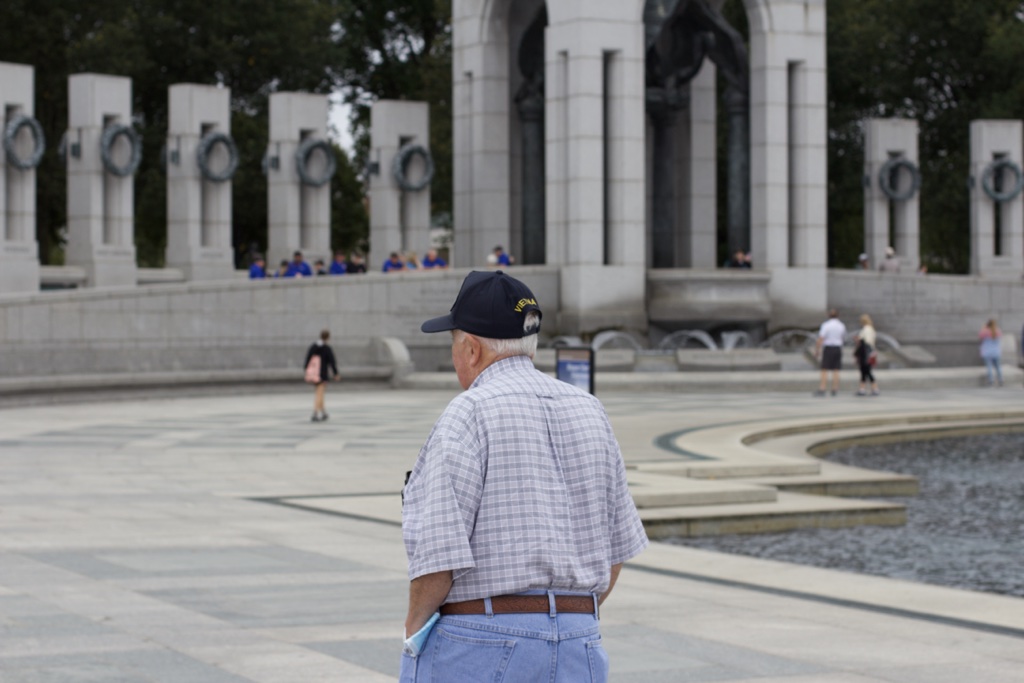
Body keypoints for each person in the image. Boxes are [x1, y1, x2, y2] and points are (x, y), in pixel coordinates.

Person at [401, 270, 648, 682]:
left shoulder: (469, 412)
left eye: (454, 344)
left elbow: (438, 557)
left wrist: (412, 633)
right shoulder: (590, 409)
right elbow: (615, 552)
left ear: (473, 349)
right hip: (579, 641)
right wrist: (560, 619)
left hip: (481, 641)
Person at [304, 329, 339, 422]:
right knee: (319, 394)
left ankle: (323, 412)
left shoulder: (314, 346)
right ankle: (315, 413)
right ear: (328, 337)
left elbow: (307, 359)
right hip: (322, 374)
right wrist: (336, 373)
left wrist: (307, 371)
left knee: (320, 393)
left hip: (314, 374)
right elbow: (332, 362)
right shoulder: (327, 348)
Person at [814, 309, 847, 396]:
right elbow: (843, 338)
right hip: (837, 348)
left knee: (824, 369)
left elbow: (821, 338)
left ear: (829, 315)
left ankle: (822, 388)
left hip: (828, 348)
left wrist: (817, 350)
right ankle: (835, 389)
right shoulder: (841, 325)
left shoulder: (826, 325)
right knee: (836, 369)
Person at [854, 313, 880, 396]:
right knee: (865, 371)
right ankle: (863, 389)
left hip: (865, 352)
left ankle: (874, 388)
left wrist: (858, 339)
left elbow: (865, 341)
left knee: (866, 371)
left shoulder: (866, 329)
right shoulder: (871, 329)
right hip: (870, 351)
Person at [978, 319, 1003, 387]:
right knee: (998, 367)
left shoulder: (985, 332)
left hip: (987, 352)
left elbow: (980, 336)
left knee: (989, 367)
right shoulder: (997, 331)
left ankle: (991, 381)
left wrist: (983, 327)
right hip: (996, 352)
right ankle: (1000, 380)